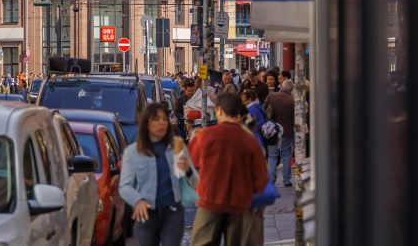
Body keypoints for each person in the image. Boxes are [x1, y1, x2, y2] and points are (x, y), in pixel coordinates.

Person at [188, 93, 268, 246]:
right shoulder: (249, 140)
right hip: (239, 205)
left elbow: (190, 169)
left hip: (210, 201)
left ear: (218, 110)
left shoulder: (204, 137)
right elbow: (261, 179)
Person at [121, 102, 197, 246]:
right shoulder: (132, 152)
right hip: (147, 214)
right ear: (147, 123)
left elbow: (196, 182)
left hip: (173, 213)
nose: (162, 122)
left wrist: (187, 170)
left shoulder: (177, 145)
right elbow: (125, 186)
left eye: (164, 119)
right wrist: (137, 201)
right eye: (156, 119)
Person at [266, 79, 296, 187]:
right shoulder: (292, 99)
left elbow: (265, 110)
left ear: (282, 86)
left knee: (272, 155)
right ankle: (287, 180)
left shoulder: (272, 96)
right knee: (286, 155)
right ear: (291, 89)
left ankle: (272, 178)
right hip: (286, 130)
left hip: (273, 130)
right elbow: (295, 117)